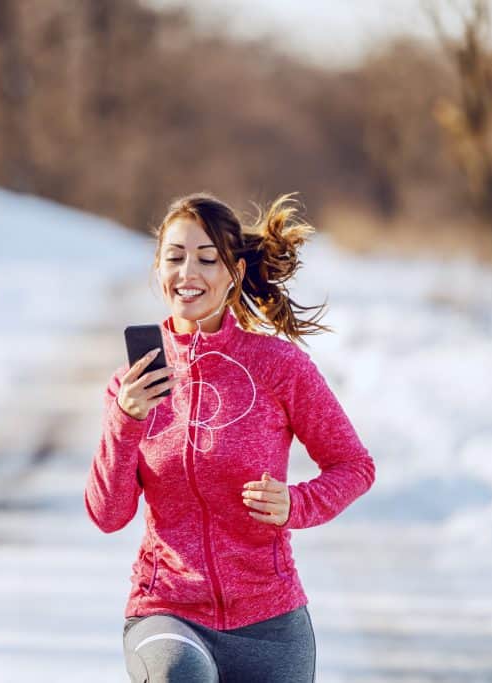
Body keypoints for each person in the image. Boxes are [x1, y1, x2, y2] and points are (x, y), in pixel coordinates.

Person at [84, 192, 376, 682]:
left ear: (234, 273)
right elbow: (108, 515)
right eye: (175, 258)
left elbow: (354, 466)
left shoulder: (279, 367)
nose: (188, 273)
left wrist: (295, 505)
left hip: (270, 619)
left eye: (206, 258)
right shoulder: (130, 385)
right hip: (167, 612)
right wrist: (125, 418)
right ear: (158, 271)